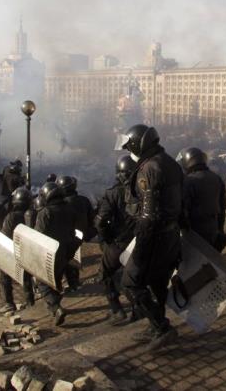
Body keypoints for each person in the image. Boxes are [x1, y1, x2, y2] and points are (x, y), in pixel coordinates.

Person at [119, 124, 183, 350]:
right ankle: (155, 325)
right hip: (171, 234)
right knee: (157, 283)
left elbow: (148, 214)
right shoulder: (170, 162)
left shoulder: (149, 169)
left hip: (154, 237)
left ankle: (161, 327)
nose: (129, 152)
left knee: (130, 282)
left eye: (131, 147)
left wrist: (141, 247)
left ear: (139, 145)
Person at [96, 154, 138, 325]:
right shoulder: (143, 190)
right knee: (134, 277)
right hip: (140, 240)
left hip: (119, 242)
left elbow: (100, 222)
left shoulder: (112, 193)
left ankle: (117, 310)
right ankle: (139, 308)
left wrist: (107, 240)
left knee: (105, 274)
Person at [34, 182, 78, 325]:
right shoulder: (69, 209)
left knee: (42, 281)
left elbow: (38, 235)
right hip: (66, 251)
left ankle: (56, 307)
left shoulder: (45, 213)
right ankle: (54, 307)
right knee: (56, 280)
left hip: (50, 252)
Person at [177, 147, 226, 252]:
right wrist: (220, 229)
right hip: (213, 228)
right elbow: (223, 207)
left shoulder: (188, 181)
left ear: (187, 161)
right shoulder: (216, 178)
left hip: (194, 231)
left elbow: (182, 209)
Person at [56, 175, 95, 292]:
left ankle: (72, 284)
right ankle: (74, 282)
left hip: (69, 237)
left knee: (66, 259)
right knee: (71, 257)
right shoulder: (84, 200)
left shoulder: (63, 204)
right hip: (82, 234)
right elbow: (91, 218)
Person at [0, 187, 36, 312]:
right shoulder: (33, 215)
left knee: (4, 274)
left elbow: (5, 236)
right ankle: (30, 301)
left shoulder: (11, 217)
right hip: (30, 252)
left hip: (15, 252)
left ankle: (9, 302)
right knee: (26, 278)